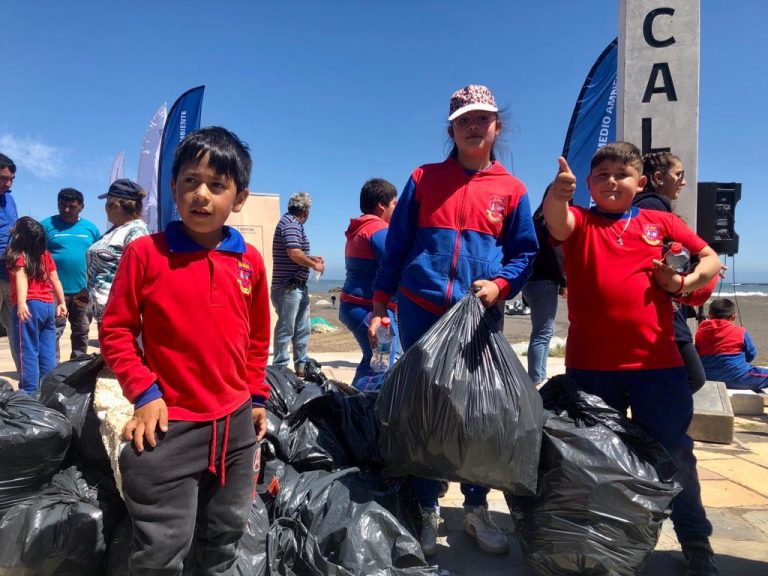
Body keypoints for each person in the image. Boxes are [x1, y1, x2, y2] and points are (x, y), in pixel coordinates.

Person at [368, 85, 538, 557]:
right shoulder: (423, 179)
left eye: (482, 118)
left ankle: (476, 508)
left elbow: (525, 253)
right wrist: (381, 303)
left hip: (478, 314)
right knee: (427, 412)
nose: (473, 126)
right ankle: (427, 507)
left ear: (496, 126)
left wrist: (500, 286)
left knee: (477, 413)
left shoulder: (512, 189)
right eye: (464, 119)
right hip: (422, 308)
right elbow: (397, 245)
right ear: (452, 129)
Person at [544, 142, 721, 576]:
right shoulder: (580, 222)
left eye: (621, 175)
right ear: (588, 184)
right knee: (593, 463)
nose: (610, 181)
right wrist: (558, 193)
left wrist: (681, 282)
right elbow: (557, 221)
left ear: (640, 183)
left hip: (657, 369)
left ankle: (696, 541)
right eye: (601, 175)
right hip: (590, 371)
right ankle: (597, 547)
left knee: (676, 455)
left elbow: (710, 259)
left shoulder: (659, 220)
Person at [99, 126, 270, 575]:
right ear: (173, 189)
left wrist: (255, 396)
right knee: (162, 546)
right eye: (191, 181)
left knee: (225, 535)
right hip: (169, 426)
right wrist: (145, 393)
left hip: (234, 427)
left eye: (217, 185)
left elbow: (257, 338)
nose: (202, 195)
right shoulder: (146, 254)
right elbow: (115, 331)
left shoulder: (249, 260)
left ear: (239, 197)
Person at [634, 151, 706, 392]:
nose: (683, 181)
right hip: (663, 305)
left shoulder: (643, 206)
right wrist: (698, 268)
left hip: (654, 305)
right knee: (692, 377)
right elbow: (659, 257)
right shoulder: (654, 207)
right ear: (658, 177)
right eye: (678, 174)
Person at [339, 178, 398, 388]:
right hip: (368, 308)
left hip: (354, 305)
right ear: (382, 205)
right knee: (379, 365)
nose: (397, 210)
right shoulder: (378, 229)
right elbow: (395, 266)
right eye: (394, 204)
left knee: (372, 361)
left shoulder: (359, 228)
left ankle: (353, 405)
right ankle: (358, 411)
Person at [5, 217, 67, 393]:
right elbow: (55, 279)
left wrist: (22, 303)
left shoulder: (19, 255)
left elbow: (21, 278)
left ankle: (30, 393)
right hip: (48, 305)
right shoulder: (45, 255)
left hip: (30, 307)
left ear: (20, 236)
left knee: (27, 350)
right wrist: (61, 302)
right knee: (47, 350)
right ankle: (49, 390)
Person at [42, 188, 100, 360]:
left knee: (81, 331)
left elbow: (98, 256)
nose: (66, 210)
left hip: (82, 291)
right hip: (53, 292)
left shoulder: (90, 229)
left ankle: (77, 367)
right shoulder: (46, 225)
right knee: (52, 332)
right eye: (62, 205)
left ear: (81, 207)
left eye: (71, 206)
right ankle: (51, 370)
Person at [271, 191, 324, 377]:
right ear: (306, 211)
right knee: (287, 328)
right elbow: (294, 252)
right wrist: (314, 264)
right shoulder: (292, 224)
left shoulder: (291, 224)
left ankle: (301, 365)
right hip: (288, 287)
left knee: (302, 328)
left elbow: (295, 253)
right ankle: (280, 369)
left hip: (296, 286)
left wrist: (310, 258)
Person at [86, 178, 150, 328]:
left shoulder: (136, 232)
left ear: (113, 205)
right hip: (106, 313)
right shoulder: (116, 230)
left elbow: (140, 274)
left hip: (120, 315)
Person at [521, 186, 566, 386]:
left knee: (540, 332)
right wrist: (564, 281)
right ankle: (537, 379)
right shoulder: (551, 221)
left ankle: (536, 377)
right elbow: (557, 254)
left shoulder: (535, 220)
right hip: (546, 281)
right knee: (543, 332)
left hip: (530, 282)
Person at [695, 298, 768, 392]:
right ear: (733, 317)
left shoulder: (700, 332)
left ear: (709, 316)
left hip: (708, 376)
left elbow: (696, 355)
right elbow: (752, 353)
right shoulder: (740, 331)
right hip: (738, 377)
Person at [0, 153, 20, 371]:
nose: (8, 183)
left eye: (11, 178)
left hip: (10, 274)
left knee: (16, 331)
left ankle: (25, 384)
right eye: (3, 178)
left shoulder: (10, 199)